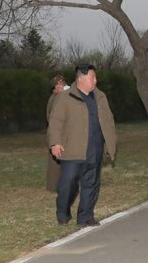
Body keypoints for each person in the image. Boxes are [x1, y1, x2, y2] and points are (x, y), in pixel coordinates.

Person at [48, 64, 116, 227]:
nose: (95, 80)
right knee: (68, 183)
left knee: (91, 184)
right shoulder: (65, 97)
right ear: (80, 79)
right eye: (92, 77)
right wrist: (55, 142)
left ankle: (85, 216)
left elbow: (109, 121)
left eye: (95, 77)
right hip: (72, 150)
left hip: (95, 148)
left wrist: (111, 144)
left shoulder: (100, 97)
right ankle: (63, 213)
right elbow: (55, 121)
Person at [45, 75, 69, 192]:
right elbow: (54, 119)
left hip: (61, 133)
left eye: (64, 81)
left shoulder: (61, 97)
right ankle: (54, 186)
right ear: (56, 86)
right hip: (57, 134)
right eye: (61, 83)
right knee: (56, 162)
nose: (64, 84)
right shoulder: (55, 99)